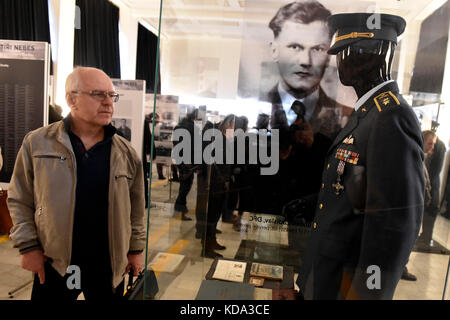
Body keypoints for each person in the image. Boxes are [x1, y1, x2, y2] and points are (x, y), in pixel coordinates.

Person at [296, 13, 424, 300]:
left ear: (376, 55)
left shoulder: (391, 118)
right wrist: (313, 204)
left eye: (348, 52)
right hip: (328, 276)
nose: (340, 61)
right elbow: (360, 196)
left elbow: (392, 229)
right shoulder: (369, 113)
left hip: (344, 285)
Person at [7, 67, 146, 300]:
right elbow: (19, 198)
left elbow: (136, 209)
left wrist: (135, 250)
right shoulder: (38, 143)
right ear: (72, 99)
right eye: (98, 94)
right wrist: (28, 246)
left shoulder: (125, 153)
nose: (108, 103)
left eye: (112, 96)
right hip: (55, 262)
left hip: (107, 264)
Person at [264, 0, 352, 139]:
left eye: (318, 49)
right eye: (295, 47)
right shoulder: (254, 108)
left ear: (329, 56)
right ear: (274, 50)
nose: (306, 61)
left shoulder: (349, 118)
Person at [418, 128, 445, 247]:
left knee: (431, 211)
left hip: (432, 184)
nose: (431, 147)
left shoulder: (440, 146)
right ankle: (425, 236)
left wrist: (427, 182)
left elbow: (436, 169)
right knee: (426, 212)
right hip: (428, 182)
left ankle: (426, 237)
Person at [173, 109, 200, 221]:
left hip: (180, 160)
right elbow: (195, 147)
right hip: (188, 162)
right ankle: (180, 211)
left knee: (183, 186)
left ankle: (179, 210)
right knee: (185, 187)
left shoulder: (179, 126)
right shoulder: (192, 128)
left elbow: (175, 144)